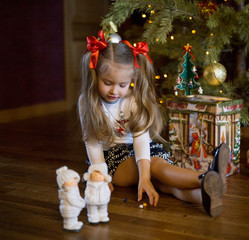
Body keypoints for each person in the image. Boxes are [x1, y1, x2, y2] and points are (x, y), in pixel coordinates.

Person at [78, 30, 229, 217]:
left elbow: (141, 139)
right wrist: (101, 176)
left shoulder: (132, 101)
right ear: (95, 76)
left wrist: (145, 177)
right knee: (158, 167)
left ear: (131, 81)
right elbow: (92, 142)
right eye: (108, 83)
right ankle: (206, 178)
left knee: (164, 184)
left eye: (122, 85)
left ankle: (205, 197)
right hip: (112, 161)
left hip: (143, 152)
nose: (114, 91)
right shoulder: (88, 102)